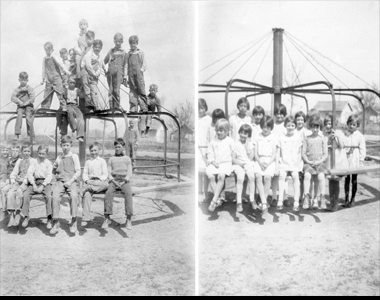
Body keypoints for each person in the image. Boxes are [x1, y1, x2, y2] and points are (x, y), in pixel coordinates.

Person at [50, 135, 81, 234]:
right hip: (60, 181)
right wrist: (54, 167)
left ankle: (74, 220)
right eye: (63, 145)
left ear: (71, 145)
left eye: (67, 145)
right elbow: (54, 171)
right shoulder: (59, 157)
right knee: (54, 196)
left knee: (74, 195)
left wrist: (70, 181)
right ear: (61, 146)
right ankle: (55, 222)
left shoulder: (74, 156)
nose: (65, 147)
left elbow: (78, 172)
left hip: (71, 181)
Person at [103, 138, 133, 230]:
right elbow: (108, 171)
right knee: (108, 193)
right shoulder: (111, 159)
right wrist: (113, 180)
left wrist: (125, 180)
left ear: (123, 147)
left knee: (128, 194)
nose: (117, 149)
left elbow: (129, 171)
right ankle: (107, 218)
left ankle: (128, 219)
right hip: (114, 180)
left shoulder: (127, 158)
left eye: (119, 147)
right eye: (116, 147)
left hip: (124, 180)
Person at [21, 144, 53, 228]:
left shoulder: (48, 163)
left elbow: (49, 176)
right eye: (40, 153)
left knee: (49, 196)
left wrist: (43, 185)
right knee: (26, 194)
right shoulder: (34, 162)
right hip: (35, 182)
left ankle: (49, 218)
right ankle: (26, 216)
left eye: (43, 154)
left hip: (45, 182)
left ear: (46, 154)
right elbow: (29, 173)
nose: (41, 156)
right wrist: (34, 185)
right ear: (37, 153)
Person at [206, 119, 234, 212]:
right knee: (211, 177)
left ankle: (214, 201)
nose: (219, 132)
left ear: (226, 131)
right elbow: (210, 154)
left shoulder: (230, 141)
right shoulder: (212, 142)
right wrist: (213, 162)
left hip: (225, 163)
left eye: (221, 130)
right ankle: (217, 198)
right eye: (217, 130)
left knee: (221, 176)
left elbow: (233, 154)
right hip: (215, 163)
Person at [276, 116, 303, 211]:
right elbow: (278, 152)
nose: (290, 127)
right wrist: (277, 165)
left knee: (295, 176)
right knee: (282, 176)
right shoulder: (281, 138)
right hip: (284, 163)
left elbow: (300, 152)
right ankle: (280, 200)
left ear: (295, 126)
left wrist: (299, 165)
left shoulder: (298, 138)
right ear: (285, 126)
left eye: (292, 125)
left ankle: (296, 201)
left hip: (294, 164)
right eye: (288, 125)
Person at [302, 116, 328, 210]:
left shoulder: (322, 139)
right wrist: (308, 161)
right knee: (307, 176)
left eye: (317, 127)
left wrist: (318, 161)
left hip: (319, 163)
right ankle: (306, 197)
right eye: (313, 127)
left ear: (319, 127)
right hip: (309, 163)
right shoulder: (306, 138)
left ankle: (321, 197)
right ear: (310, 127)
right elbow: (303, 153)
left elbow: (325, 155)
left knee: (320, 176)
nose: (315, 129)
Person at [323, 114, 347, 212]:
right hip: (329, 160)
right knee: (330, 182)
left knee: (336, 182)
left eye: (330, 124)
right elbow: (324, 146)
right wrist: (329, 139)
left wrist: (336, 136)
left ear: (334, 124)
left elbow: (341, 146)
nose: (328, 126)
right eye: (327, 124)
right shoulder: (324, 134)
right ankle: (331, 203)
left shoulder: (339, 133)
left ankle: (335, 203)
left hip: (338, 160)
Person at [6, 143, 34, 227]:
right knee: (10, 193)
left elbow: (31, 173)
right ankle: (11, 215)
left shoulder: (33, 161)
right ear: (21, 152)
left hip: (27, 181)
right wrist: (13, 180)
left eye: (28, 151)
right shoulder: (19, 161)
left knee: (19, 192)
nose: (26, 153)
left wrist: (24, 180)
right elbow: (14, 172)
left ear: (31, 152)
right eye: (25, 151)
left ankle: (18, 213)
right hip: (18, 181)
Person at [254, 116, 278, 214]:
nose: (265, 129)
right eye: (264, 126)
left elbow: (274, 154)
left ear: (271, 127)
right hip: (259, 160)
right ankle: (264, 202)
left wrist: (268, 163)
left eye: (268, 127)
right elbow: (255, 153)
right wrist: (260, 162)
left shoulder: (273, 137)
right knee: (258, 176)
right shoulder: (257, 136)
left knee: (267, 177)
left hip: (270, 161)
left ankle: (263, 200)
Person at [81, 142, 109, 226]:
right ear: (89, 151)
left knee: (106, 185)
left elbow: (105, 174)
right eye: (92, 151)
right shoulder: (88, 162)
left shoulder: (102, 161)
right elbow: (84, 173)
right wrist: (86, 180)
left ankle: (87, 188)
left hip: (99, 182)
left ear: (99, 151)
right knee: (87, 195)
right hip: (90, 182)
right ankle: (86, 217)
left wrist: (100, 180)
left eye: (95, 150)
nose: (93, 152)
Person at [232, 124, 256, 213]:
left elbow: (251, 157)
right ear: (239, 133)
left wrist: (246, 146)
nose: (243, 135)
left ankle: (252, 199)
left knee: (251, 177)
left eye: (245, 133)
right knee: (240, 178)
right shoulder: (235, 144)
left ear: (248, 135)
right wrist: (240, 164)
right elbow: (233, 158)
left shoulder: (250, 144)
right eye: (241, 132)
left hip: (248, 164)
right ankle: (239, 202)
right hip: (238, 165)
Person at [343, 114, 366, 208]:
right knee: (347, 179)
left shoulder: (359, 136)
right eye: (350, 124)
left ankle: (353, 198)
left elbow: (362, 149)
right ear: (347, 124)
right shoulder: (345, 134)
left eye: (354, 125)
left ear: (357, 126)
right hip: (347, 159)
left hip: (355, 159)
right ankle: (346, 199)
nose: (351, 126)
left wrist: (361, 160)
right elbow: (343, 145)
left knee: (354, 179)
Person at [40, 42, 71, 110]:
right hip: (48, 78)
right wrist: (43, 79)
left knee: (60, 92)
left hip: (56, 77)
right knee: (47, 93)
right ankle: (45, 107)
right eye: (46, 50)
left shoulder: (54, 56)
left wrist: (67, 72)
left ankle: (64, 106)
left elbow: (61, 65)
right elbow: (43, 69)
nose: (47, 52)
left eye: (48, 50)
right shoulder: (44, 58)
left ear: (52, 50)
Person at [104, 33, 128, 109]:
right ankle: (111, 107)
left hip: (119, 74)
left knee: (117, 90)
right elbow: (104, 61)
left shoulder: (124, 53)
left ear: (122, 42)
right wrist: (105, 70)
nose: (117, 43)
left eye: (119, 42)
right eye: (116, 41)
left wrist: (125, 76)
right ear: (114, 41)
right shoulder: (111, 51)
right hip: (110, 74)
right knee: (111, 90)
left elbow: (125, 65)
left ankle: (117, 107)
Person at [81, 39, 106, 111]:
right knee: (87, 90)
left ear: (101, 48)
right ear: (93, 47)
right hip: (86, 72)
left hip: (93, 75)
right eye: (96, 47)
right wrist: (94, 74)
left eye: (99, 47)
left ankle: (96, 106)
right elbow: (88, 66)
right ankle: (89, 105)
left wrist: (97, 74)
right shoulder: (89, 54)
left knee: (94, 91)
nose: (97, 49)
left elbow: (100, 66)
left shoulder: (100, 57)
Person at [126, 35, 148, 113]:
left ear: (137, 43)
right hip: (131, 75)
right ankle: (133, 108)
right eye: (131, 43)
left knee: (141, 89)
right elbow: (126, 65)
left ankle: (143, 107)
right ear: (129, 44)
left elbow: (144, 63)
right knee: (132, 91)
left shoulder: (140, 52)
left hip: (139, 75)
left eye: (134, 43)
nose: (133, 45)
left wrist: (141, 70)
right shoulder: (128, 54)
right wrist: (126, 76)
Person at [11, 72, 35, 141]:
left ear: (27, 80)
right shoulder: (17, 89)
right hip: (21, 107)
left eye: (25, 80)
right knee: (19, 116)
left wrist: (26, 103)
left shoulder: (29, 88)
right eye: (22, 80)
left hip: (29, 107)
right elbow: (12, 97)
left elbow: (32, 99)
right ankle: (17, 134)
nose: (23, 81)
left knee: (29, 118)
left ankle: (31, 136)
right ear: (19, 80)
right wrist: (19, 102)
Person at [0, 143, 21, 222]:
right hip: (9, 180)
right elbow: (6, 172)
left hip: (16, 181)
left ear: (19, 152)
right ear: (10, 152)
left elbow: (20, 172)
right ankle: (4, 210)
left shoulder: (20, 161)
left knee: (9, 192)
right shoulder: (9, 160)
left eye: (16, 151)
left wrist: (15, 178)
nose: (14, 152)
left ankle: (12, 213)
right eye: (13, 151)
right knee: (3, 190)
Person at [198, 98, 212, 203]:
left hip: (206, 147)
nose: (200, 110)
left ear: (205, 108)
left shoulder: (209, 119)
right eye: (199, 108)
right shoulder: (197, 119)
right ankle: (199, 192)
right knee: (198, 172)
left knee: (206, 172)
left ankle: (206, 193)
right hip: (198, 148)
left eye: (202, 108)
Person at [79, 30, 97, 110]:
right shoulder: (85, 49)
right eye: (87, 39)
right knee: (85, 88)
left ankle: (94, 104)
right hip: (85, 71)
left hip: (92, 71)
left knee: (93, 88)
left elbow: (97, 59)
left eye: (91, 39)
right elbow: (82, 59)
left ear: (93, 39)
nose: (89, 41)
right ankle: (88, 104)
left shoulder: (94, 49)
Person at [65, 77, 85, 142]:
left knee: (81, 117)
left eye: (74, 83)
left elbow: (82, 95)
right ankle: (74, 128)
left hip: (75, 106)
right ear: (68, 83)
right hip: (68, 105)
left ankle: (80, 135)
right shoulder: (66, 89)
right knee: (70, 112)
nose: (72, 84)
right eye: (71, 83)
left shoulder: (77, 90)